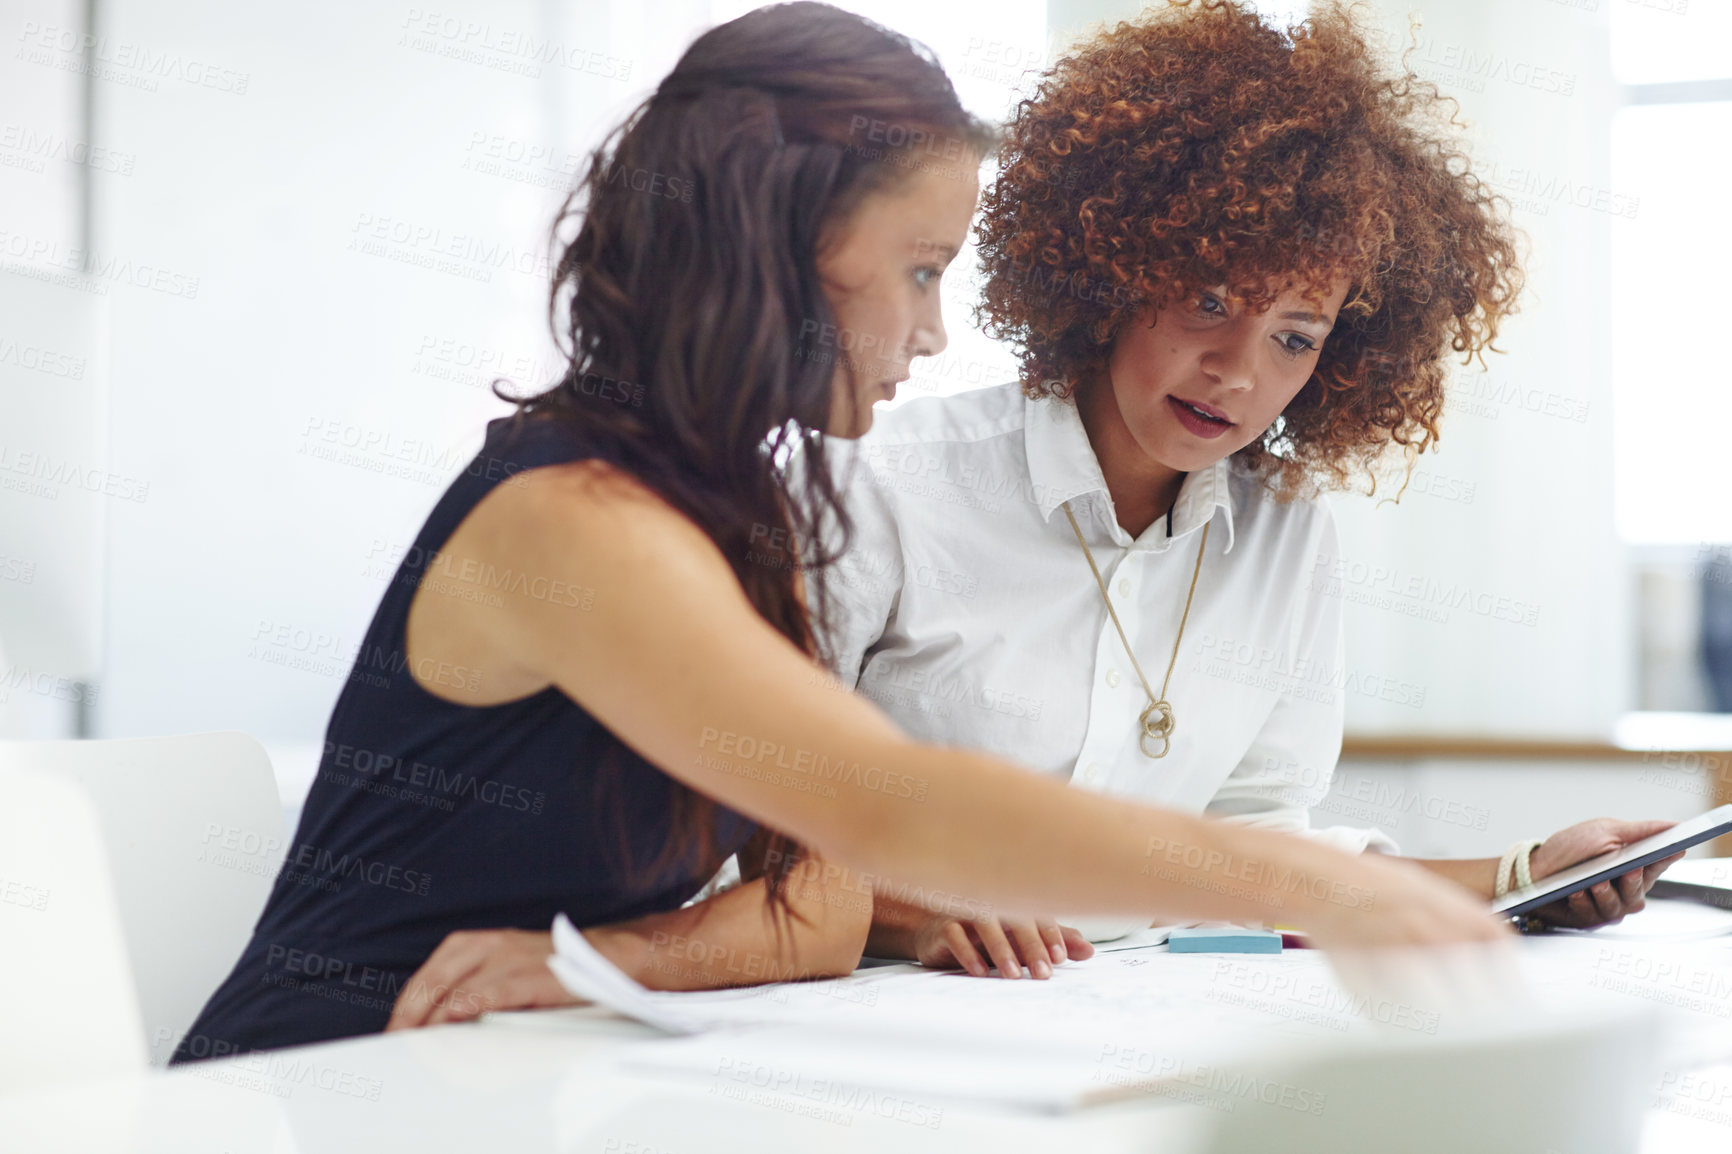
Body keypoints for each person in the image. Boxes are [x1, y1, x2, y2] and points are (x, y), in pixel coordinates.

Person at [172, 1, 1505, 1064]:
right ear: (780, 247)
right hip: (326, 1083)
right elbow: (896, 805)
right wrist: (1318, 886)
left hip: (504, 1066)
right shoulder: (575, 518)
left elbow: (820, 901)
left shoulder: (732, 511)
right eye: (921, 272)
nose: (935, 331)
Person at [815, 0, 1677, 982]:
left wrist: (1526, 874)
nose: (1235, 370)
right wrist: (906, 913)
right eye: (1207, 302)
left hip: (1143, 1010)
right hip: (889, 1026)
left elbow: (1257, 841)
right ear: (1111, 271)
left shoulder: (1283, 536)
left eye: (1295, 337)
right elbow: (740, 814)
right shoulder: (884, 484)